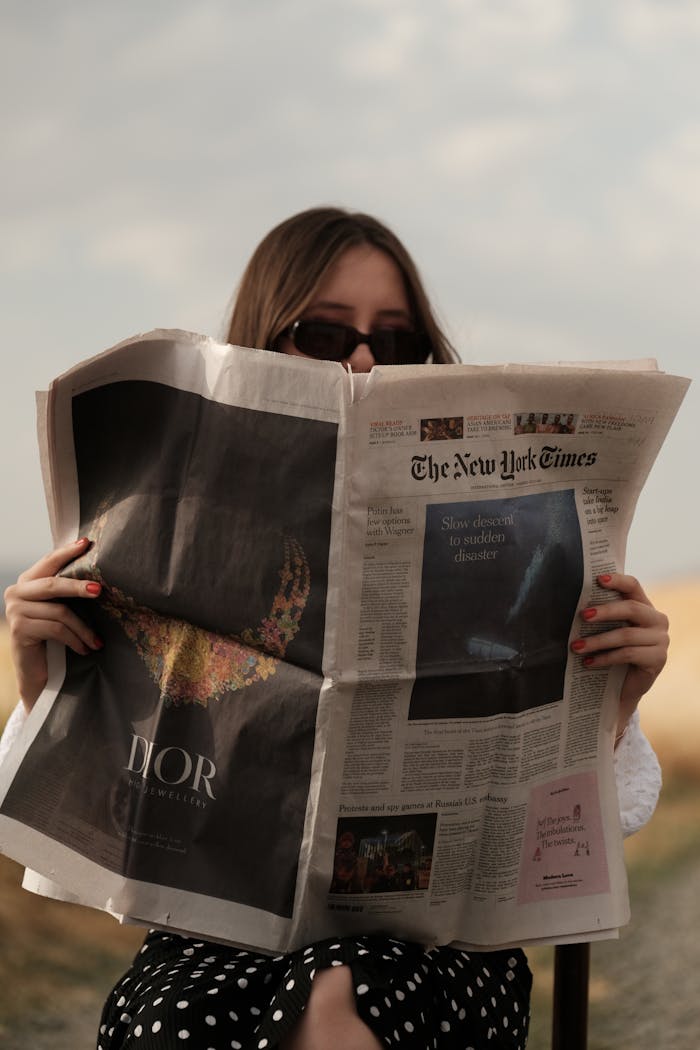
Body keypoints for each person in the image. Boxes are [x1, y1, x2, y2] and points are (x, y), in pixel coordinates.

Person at [1, 207, 667, 1050]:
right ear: (260, 343)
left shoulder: (508, 527)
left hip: (435, 946)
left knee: (336, 1005)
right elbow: (105, 804)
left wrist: (615, 700)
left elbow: (585, 820)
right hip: (217, 936)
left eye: (394, 341)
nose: (360, 359)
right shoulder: (167, 524)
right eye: (322, 333)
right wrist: (43, 672)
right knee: (172, 1027)